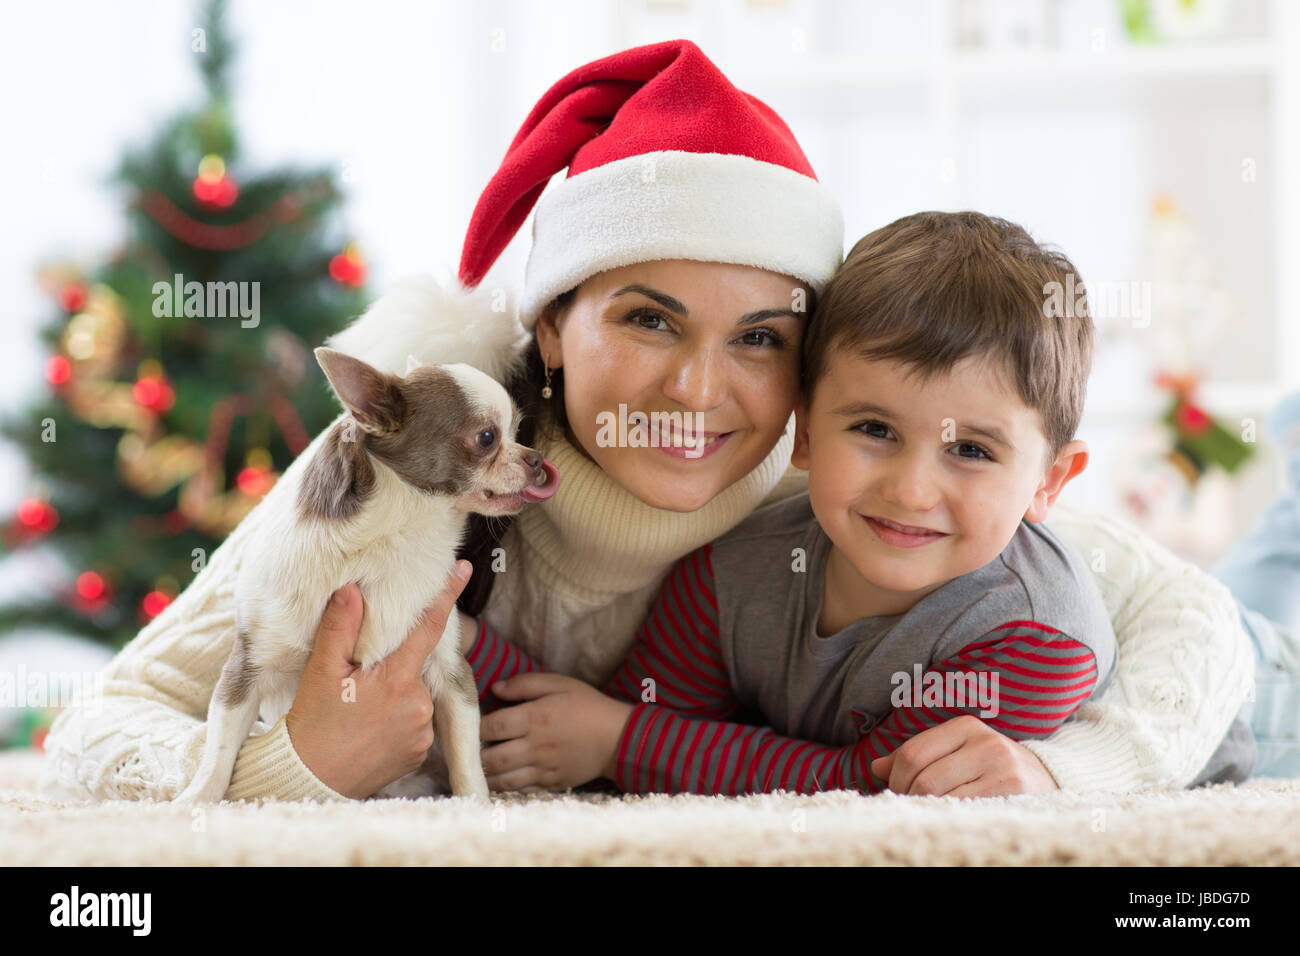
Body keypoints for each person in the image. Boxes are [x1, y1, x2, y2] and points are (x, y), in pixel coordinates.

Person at [40, 40, 1254, 803]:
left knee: (1270, 596)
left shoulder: (841, 479)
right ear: (552, 323)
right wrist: (290, 760)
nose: (696, 392)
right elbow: (99, 726)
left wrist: (1063, 768)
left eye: (761, 339)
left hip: (1264, 678)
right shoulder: (415, 453)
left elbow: (1191, 618)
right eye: (648, 318)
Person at [464, 211, 1258, 795]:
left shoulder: (1032, 636)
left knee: (1271, 598)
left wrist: (622, 741)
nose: (912, 490)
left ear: (1049, 484)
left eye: (971, 451)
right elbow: (597, 729)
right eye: (875, 429)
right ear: (803, 435)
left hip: (1236, 701)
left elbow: (876, 794)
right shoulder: (728, 571)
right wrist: (448, 629)